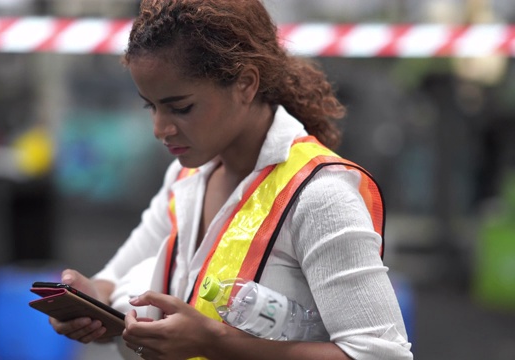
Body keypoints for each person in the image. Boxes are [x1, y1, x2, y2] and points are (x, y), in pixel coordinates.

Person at [49, 0, 413, 359]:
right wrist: (91, 301)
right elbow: (113, 278)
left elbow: (382, 355)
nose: (160, 128)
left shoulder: (319, 196)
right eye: (151, 106)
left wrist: (217, 343)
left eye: (181, 107)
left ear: (246, 84)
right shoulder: (187, 177)